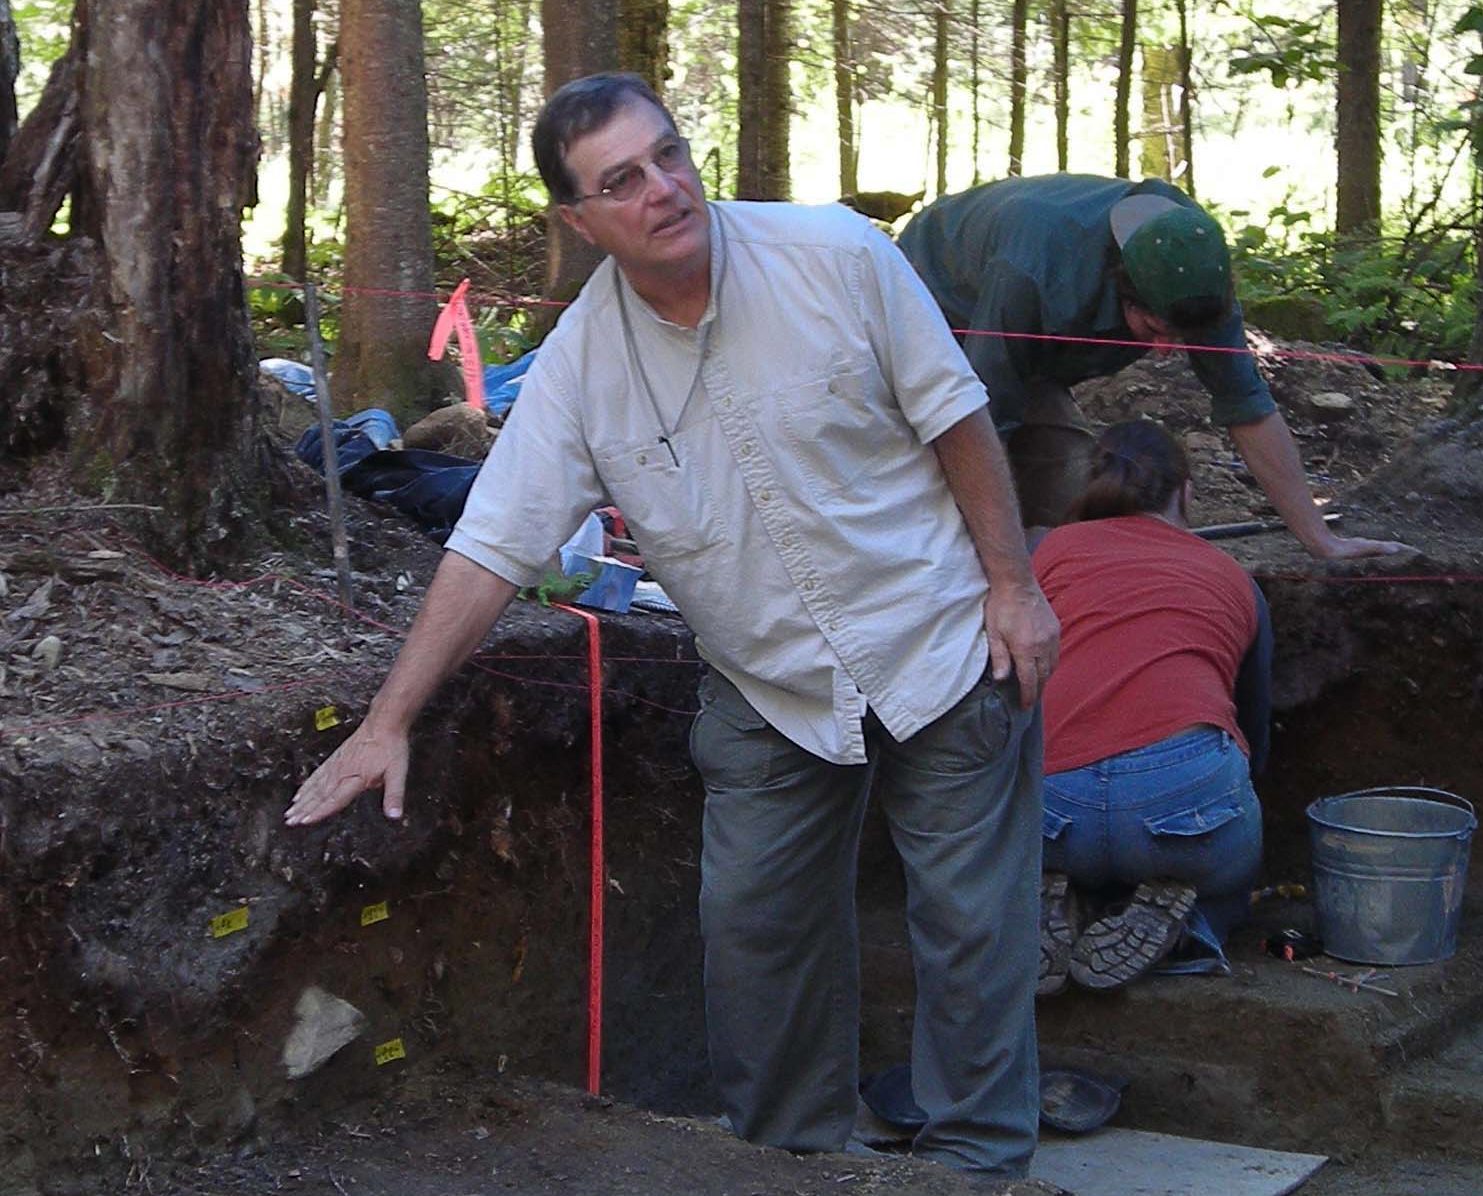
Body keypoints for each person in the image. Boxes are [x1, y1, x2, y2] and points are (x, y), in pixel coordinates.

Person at [284, 73, 1060, 1182]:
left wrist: (1015, 587)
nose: (662, 189)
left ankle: (976, 1167)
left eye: (667, 156)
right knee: (756, 944)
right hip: (766, 687)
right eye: (621, 180)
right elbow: (493, 542)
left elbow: (959, 419)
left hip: (937, 640)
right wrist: (386, 719)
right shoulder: (582, 366)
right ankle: (792, 1164)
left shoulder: (836, 255)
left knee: (974, 937)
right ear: (578, 220)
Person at [897, 173, 1409, 560]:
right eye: (1154, 333)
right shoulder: (1034, 269)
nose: (1166, 352)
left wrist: (1319, 538)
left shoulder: (1192, 274)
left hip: (1034, 351)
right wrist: (999, 555)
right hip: (929, 298)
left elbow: (1247, 408)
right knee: (956, 518)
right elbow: (987, 417)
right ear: (1121, 287)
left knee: (1080, 516)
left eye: (1179, 339)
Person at [1030, 420, 1271, 994]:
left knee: (1043, 844)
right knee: (1228, 881)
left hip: (1055, 812)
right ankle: (1191, 925)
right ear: (1186, 492)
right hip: (1182, 810)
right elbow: (1253, 726)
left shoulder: (1049, 553)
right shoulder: (1234, 577)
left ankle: (1058, 901)